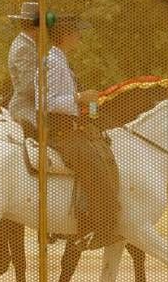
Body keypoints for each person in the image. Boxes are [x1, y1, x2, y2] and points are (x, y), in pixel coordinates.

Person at [35, 13, 120, 249]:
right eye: (76, 34)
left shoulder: (60, 60)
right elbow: (43, 102)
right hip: (59, 132)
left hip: (71, 128)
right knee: (95, 167)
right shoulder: (51, 61)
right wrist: (79, 97)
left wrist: (89, 104)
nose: (79, 38)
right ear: (66, 36)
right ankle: (97, 228)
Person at [7, 1, 39, 138]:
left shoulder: (28, 45)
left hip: (30, 104)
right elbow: (29, 86)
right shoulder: (24, 47)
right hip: (25, 107)